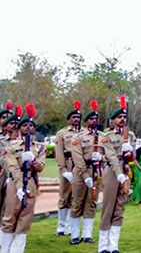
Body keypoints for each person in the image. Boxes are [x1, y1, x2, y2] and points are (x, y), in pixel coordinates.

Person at [0, 104, 44, 253]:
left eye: (31, 125)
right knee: (9, 216)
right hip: (14, 182)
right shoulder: (12, 147)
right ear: (19, 129)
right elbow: (13, 168)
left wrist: (33, 160)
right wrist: (19, 186)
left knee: (25, 217)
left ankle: (17, 249)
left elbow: (41, 167)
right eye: (24, 125)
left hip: (30, 182)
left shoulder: (40, 147)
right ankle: (4, 248)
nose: (28, 128)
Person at [69, 101, 109, 245]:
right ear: (86, 121)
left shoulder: (103, 137)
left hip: (96, 172)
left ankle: (87, 234)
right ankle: (74, 234)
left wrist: (102, 157)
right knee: (77, 202)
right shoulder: (78, 137)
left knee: (91, 202)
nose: (94, 121)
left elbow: (109, 155)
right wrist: (85, 176)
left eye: (96, 119)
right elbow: (77, 158)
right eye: (91, 119)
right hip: (81, 173)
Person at [99, 97, 132, 253]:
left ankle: (113, 246)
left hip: (124, 171)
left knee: (119, 209)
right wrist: (119, 174)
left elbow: (133, 157)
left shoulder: (130, 136)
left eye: (124, 117)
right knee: (108, 208)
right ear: (112, 121)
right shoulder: (107, 137)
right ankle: (103, 246)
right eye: (119, 117)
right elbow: (111, 156)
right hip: (112, 172)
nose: (122, 119)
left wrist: (130, 152)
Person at [54, 101, 82, 237]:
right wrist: (63, 170)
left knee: (76, 195)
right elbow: (59, 152)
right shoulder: (62, 133)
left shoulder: (84, 133)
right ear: (69, 120)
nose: (76, 119)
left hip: (80, 165)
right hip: (68, 163)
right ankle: (61, 224)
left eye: (78, 117)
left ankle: (70, 225)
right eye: (73, 117)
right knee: (64, 195)